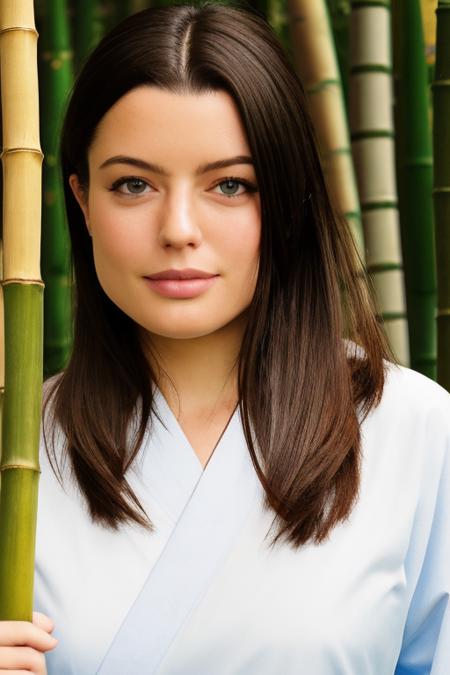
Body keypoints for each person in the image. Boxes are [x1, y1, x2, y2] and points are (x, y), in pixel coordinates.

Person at [1, 1, 449, 673]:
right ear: (81, 201)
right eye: (133, 184)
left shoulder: (415, 432)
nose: (179, 227)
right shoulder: (18, 453)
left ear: (289, 201)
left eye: (231, 185)